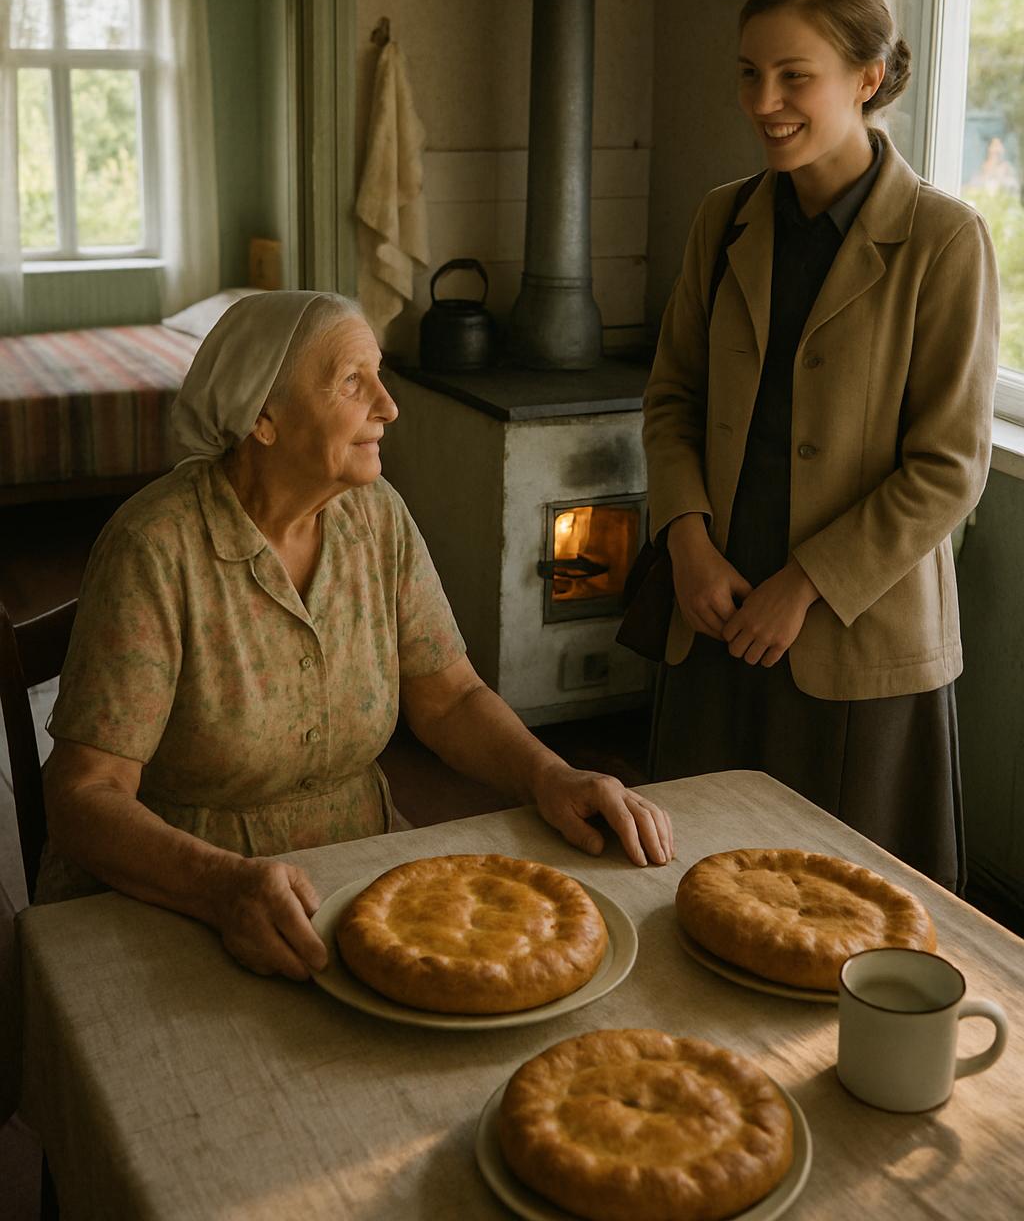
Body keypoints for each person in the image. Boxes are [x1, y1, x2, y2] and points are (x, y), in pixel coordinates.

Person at [37, 291, 674, 979]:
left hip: (358, 875)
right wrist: (221, 888)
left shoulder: (377, 518)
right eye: (351, 381)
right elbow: (84, 797)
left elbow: (450, 698)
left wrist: (550, 775)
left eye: (378, 375)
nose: (389, 406)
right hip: (178, 897)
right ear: (263, 417)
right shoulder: (154, 548)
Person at [644, 0, 999, 892]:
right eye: (749, 73)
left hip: (855, 633)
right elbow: (671, 398)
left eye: (793, 75)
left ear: (867, 78)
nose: (764, 101)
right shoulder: (722, 220)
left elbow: (949, 467)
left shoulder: (943, 240)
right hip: (713, 614)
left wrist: (804, 586)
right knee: (694, 888)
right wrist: (685, 539)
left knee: (844, 909)